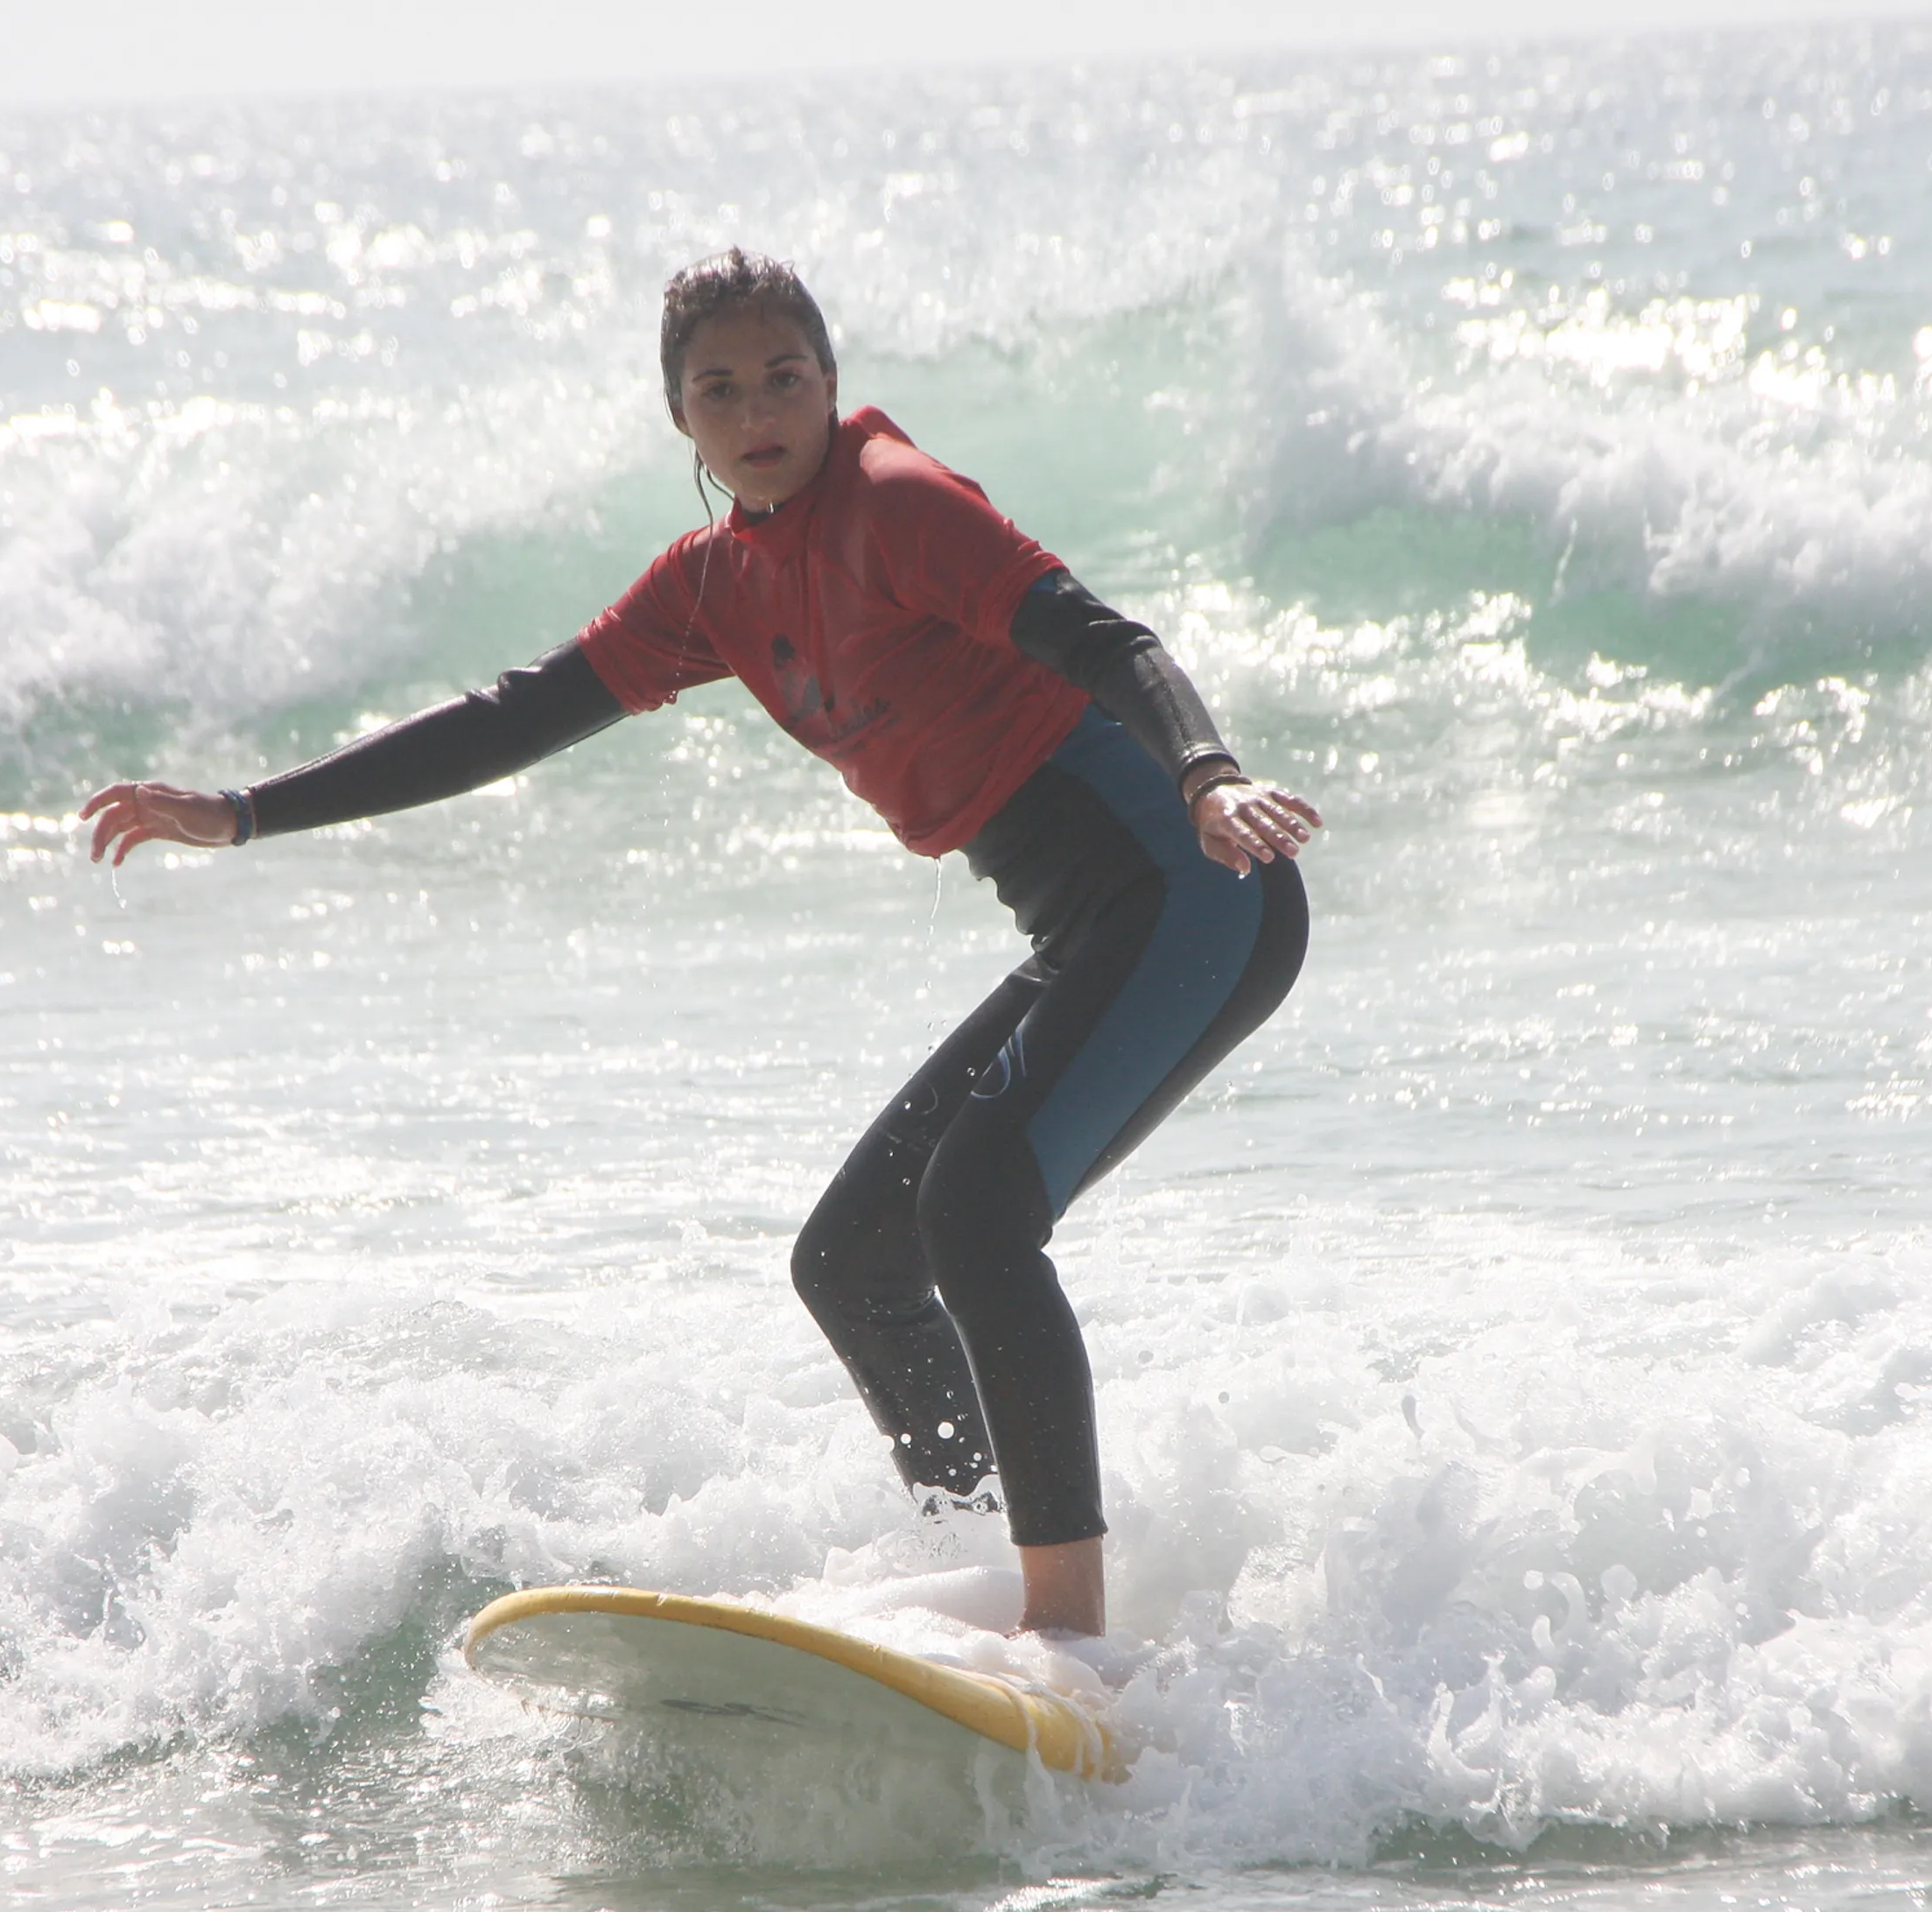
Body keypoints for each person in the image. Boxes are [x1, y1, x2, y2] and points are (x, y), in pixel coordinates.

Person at [83, 250, 1319, 1638]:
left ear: (832, 386)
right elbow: (512, 716)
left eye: (783, 377)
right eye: (718, 389)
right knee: (855, 1261)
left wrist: (1210, 776)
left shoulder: (899, 505)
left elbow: (1105, 639)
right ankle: (991, 1555)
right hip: (1090, 924)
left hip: (1194, 888)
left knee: (974, 1212)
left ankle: (1069, 1638)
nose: (755, 411)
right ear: (680, 420)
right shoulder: (712, 586)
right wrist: (246, 813)